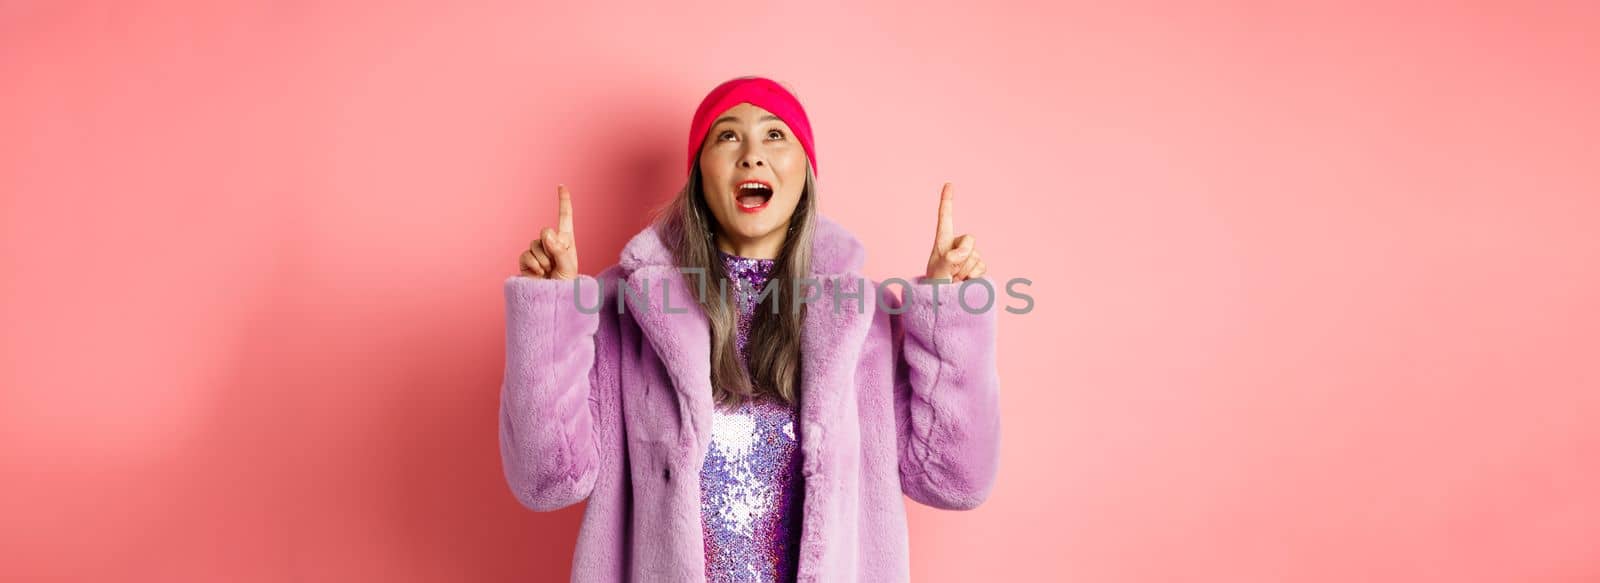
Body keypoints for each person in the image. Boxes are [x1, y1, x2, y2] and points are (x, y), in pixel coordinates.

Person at [501, 76, 1000, 582]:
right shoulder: (625, 313)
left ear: (805, 171)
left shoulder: (863, 317)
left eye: (775, 135)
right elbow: (548, 481)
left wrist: (947, 310)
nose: (752, 155)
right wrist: (552, 307)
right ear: (699, 175)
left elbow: (952, 479)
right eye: (728, 136)